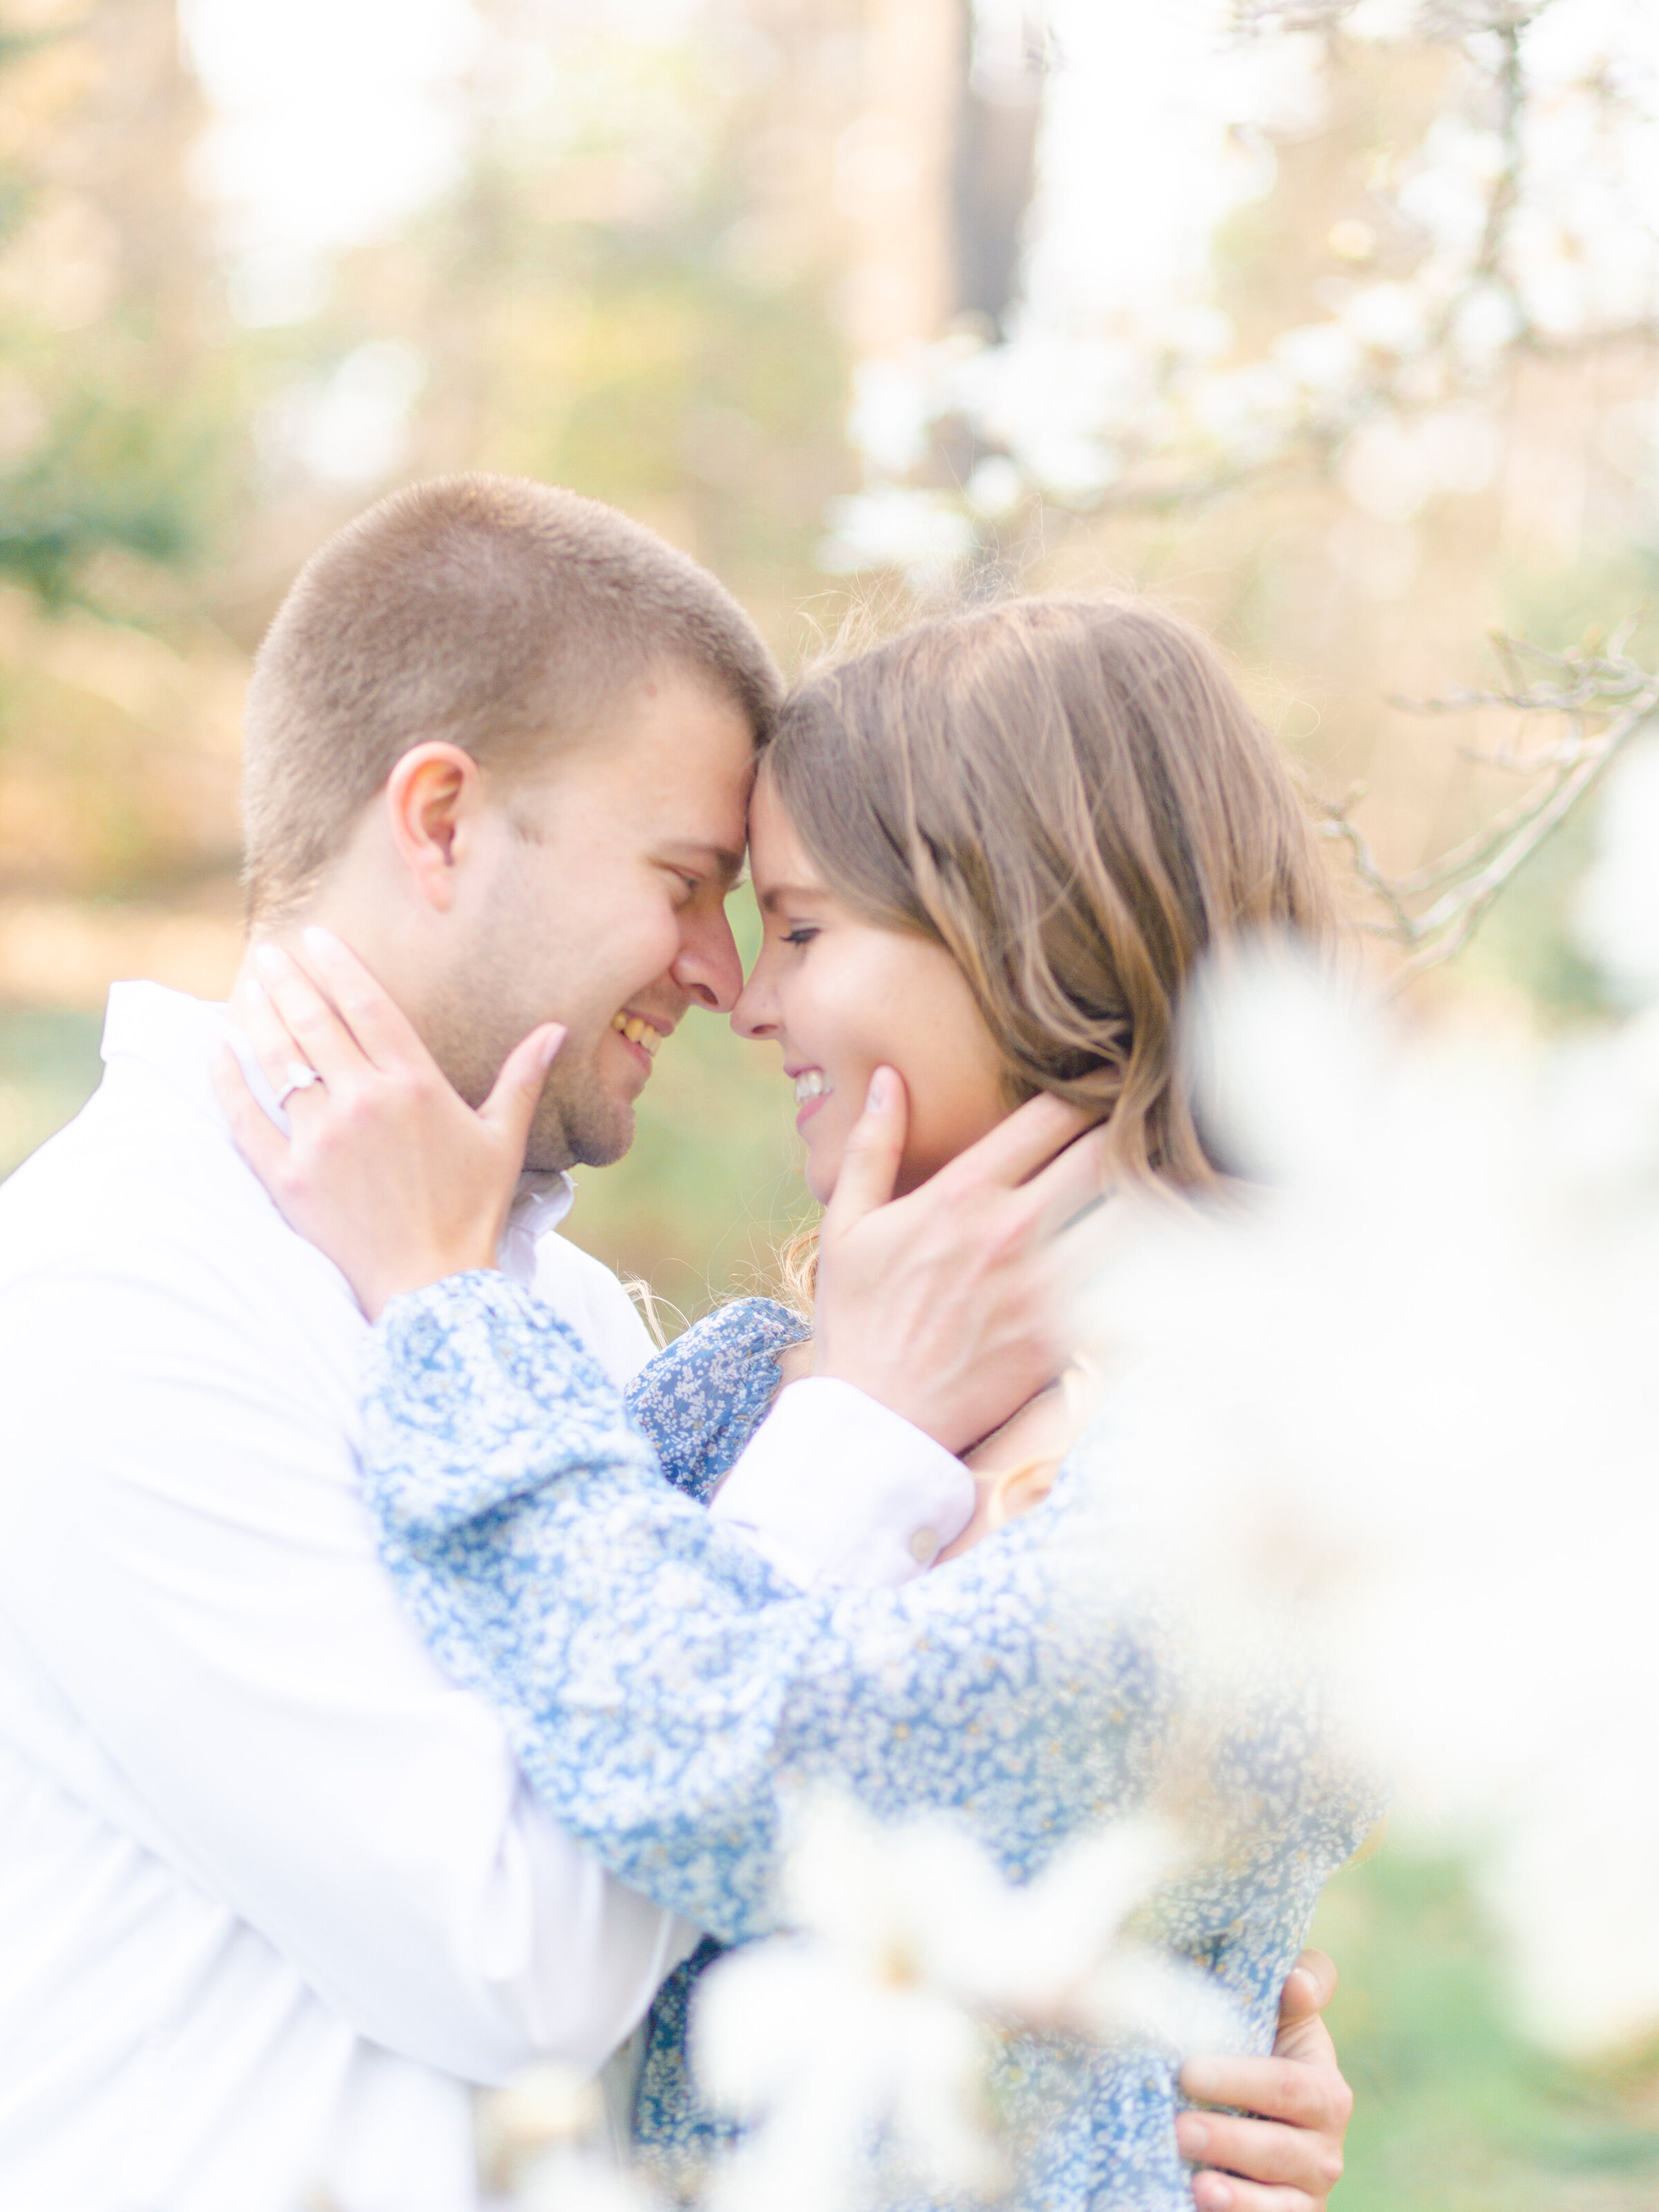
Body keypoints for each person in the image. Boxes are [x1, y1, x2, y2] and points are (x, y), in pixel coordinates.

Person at [0, 480, 1342, 2212]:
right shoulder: (114, 1302)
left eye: (781, 920)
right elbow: (537, 1957)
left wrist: (1163, 2037)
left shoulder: (538, 1305)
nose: (725, 983)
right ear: (440, 821)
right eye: (692, 884)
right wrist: (860, 1424)